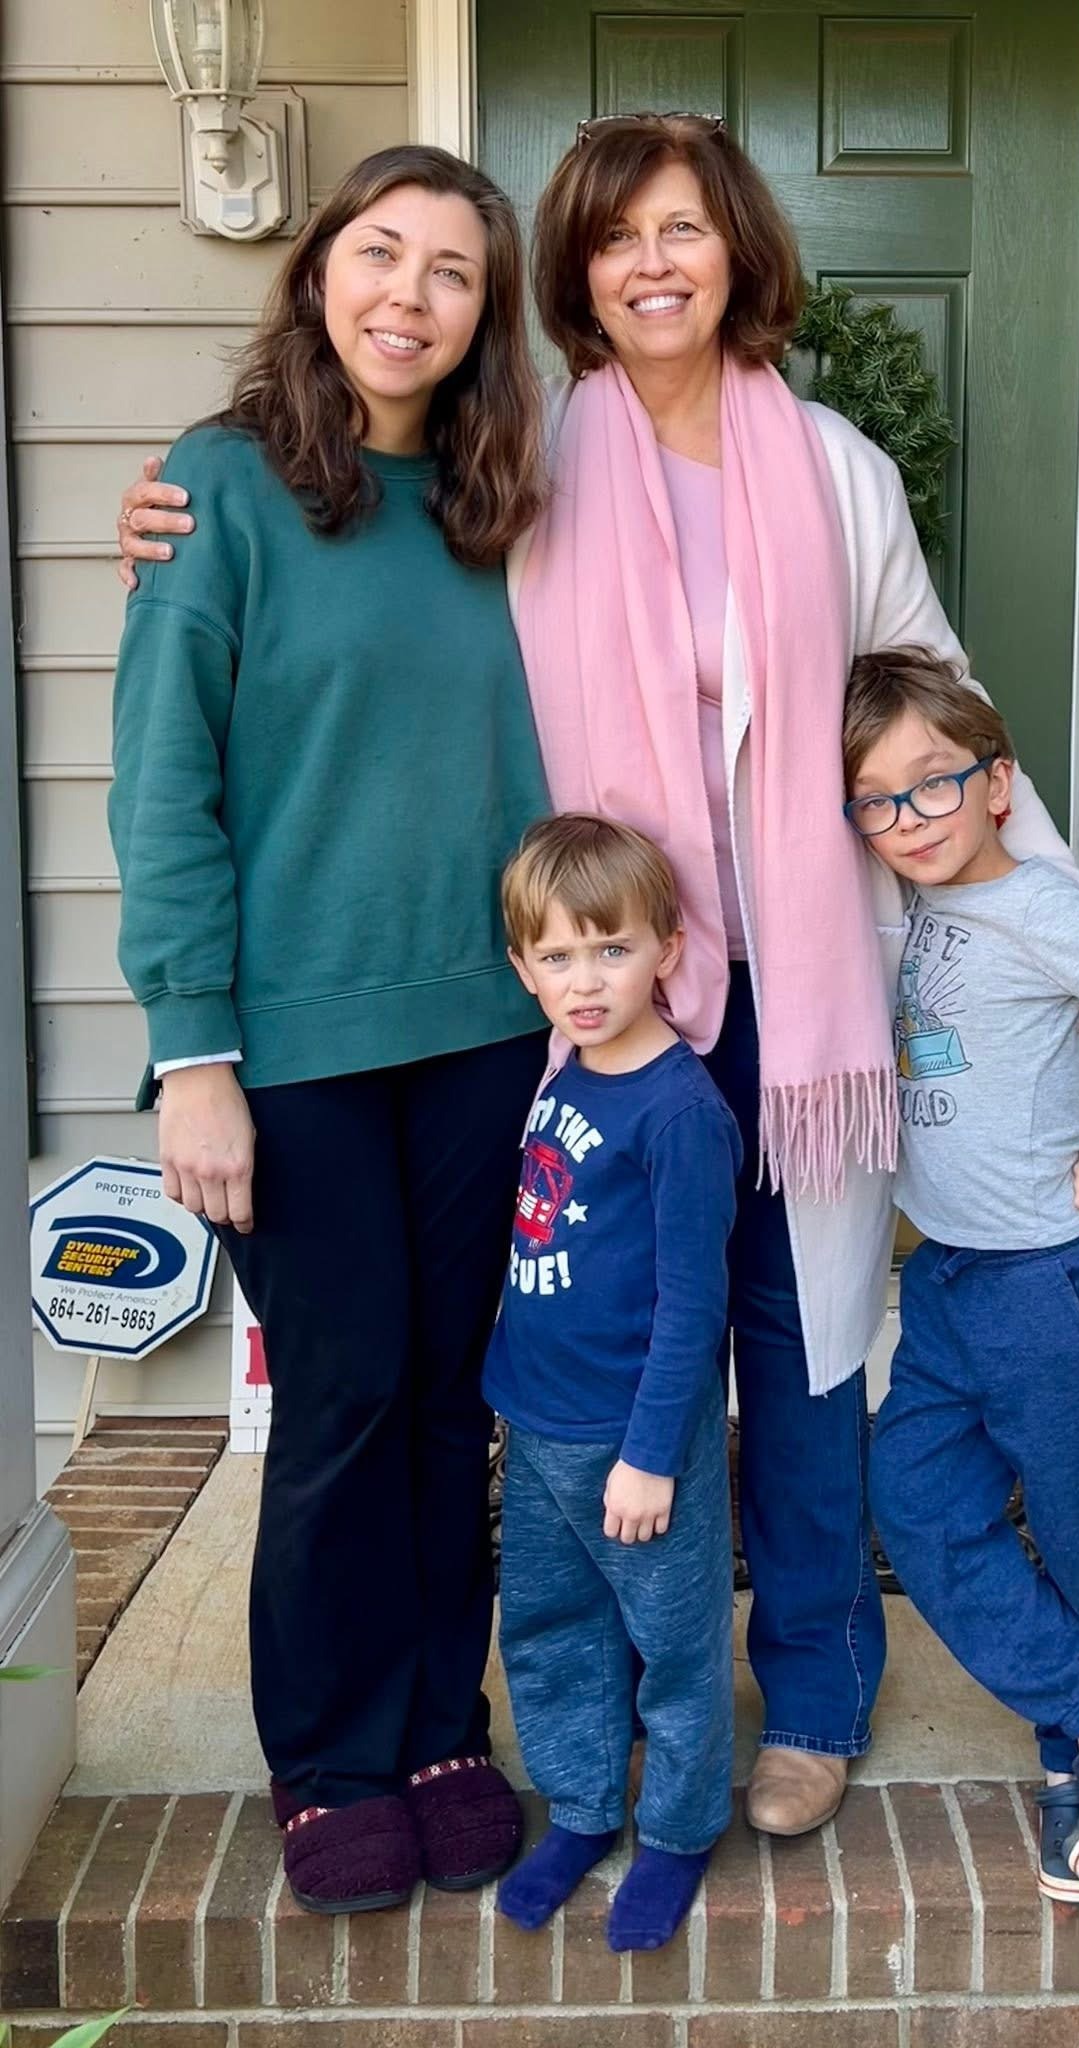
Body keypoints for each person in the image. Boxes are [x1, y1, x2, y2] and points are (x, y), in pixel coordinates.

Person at [115, 115, 1079, 1838]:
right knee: (594, 1365)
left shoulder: (825, 471)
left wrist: (1051, 917)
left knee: (795, 1350)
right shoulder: (531, 460)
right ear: (574, 274)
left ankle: (804, 1700)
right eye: (617, 235)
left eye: (684, 229)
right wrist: (161, 515)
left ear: (736, 254)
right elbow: (304, 569)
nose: (653, 263)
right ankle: (593, 1708)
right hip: (603, 998)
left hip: (796, 994)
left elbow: (933, 700)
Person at [108, 144, 554, 1913]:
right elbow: (164, 788)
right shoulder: (216, 491)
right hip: (287, 1046)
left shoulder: (507, 504)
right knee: (347, 1396)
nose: (408, 295)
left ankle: (442, 1726)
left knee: (451, 1398)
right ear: (318, 273)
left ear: (483, 315)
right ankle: (331, 1756)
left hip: (487, 1032)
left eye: (451, 271)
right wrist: (193, 1052)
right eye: (380, 253)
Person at [842, 646, 1079, 1903]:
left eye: (935, 782)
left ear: (999, 783)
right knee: (912, 1495)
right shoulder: (915, 903)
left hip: (1053, 1280)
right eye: (877, 799)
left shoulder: (1041, 906)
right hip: (953, 1280)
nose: (910, 817)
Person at [485, 813, 740, 1953]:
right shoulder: (564, 1073)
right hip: (539, 1419)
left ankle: (678, 1829)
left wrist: (650, 1455)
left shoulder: (681, 1114)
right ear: (524, 967)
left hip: (636, 1439)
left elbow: (693, 1304)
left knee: (675, 1643)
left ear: (667, 951)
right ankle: (584, 1807)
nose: (584, 981)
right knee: (551, 1626)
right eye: (558, 955)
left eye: (612, 949)